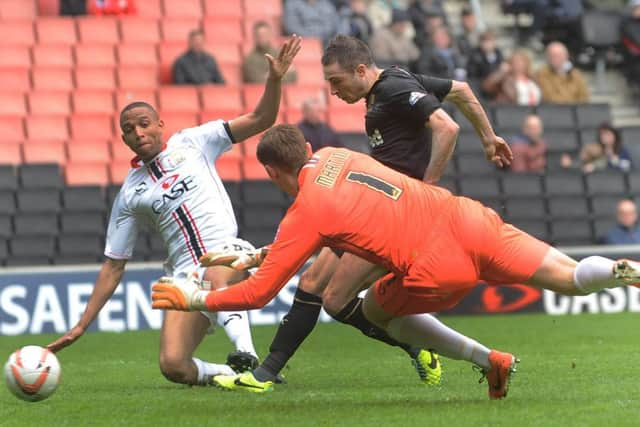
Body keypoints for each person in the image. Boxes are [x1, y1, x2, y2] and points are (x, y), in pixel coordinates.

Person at [152, 124, 640, 400]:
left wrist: (196, 296)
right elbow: (342, 219)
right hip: (465, 217)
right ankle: (615, 270)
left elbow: (257, 294)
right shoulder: (335, 154)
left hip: (433, 265)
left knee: (377, 312)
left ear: (273, 172)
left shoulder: (307, 212)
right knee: (569, 277)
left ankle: (486, 359)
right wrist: (262, 252)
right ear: (305, 148)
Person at [167, 35, 512, 394]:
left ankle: (265, 373)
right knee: (332, 299)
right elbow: (461, 89)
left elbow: (447, 126)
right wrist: (488, 138)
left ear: (361, 70)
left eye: (336, 81)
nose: (333, 91)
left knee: (318, 287)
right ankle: (418, 347)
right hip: (370, 207)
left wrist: (428, 188)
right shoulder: (394, 84)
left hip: (397, 215)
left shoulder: (394, 87)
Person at [46, 36, 303, 387]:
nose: (138, 133)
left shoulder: (195, 141)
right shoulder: (130, 195)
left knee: (215, 272)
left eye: (144, 124)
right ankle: (236, 373)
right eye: (129, 130)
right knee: (174, 365)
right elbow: (113, 265)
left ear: (159, 125)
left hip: (228, 253)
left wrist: (274, 80)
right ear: (123, 139)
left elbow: (261, 119)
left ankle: (251, 358)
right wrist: (80, 325)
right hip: (184, 276)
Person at [561, 123, 631, 173]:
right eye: (602, 134)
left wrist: (613, 159)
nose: (604, 137)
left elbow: (626, 166)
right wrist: (570, 164)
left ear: (615, 135)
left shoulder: (622, 150)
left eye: (607, 134)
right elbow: (584, 164)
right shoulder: (594, 149)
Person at [466, 29, 505, 100]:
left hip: (497, 83)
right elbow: (473, 73)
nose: (488, 44)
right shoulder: (475, 55)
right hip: (481, 84)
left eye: (490, 41)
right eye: (485, 41)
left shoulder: (498, 53)